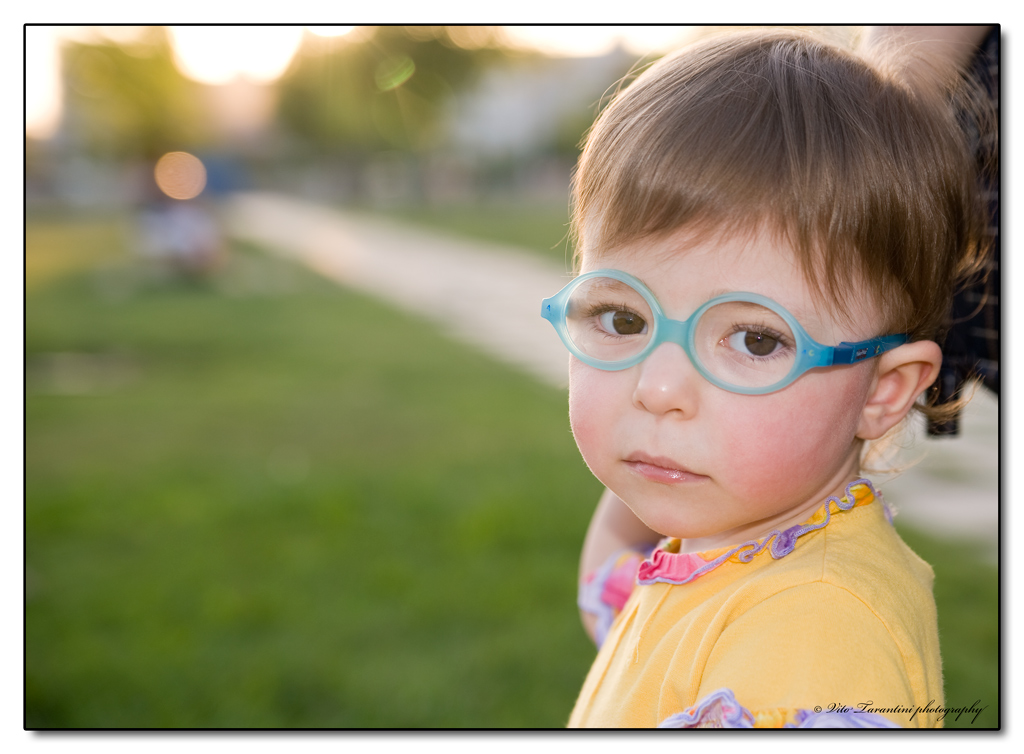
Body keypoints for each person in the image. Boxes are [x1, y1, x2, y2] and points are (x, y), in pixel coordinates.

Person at [540, 28, 990, 728]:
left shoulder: (811, 636)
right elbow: (612, 592)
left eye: (755, 339)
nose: (657, 389)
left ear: (884, 390)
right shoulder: (730, 552)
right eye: (624, 320)